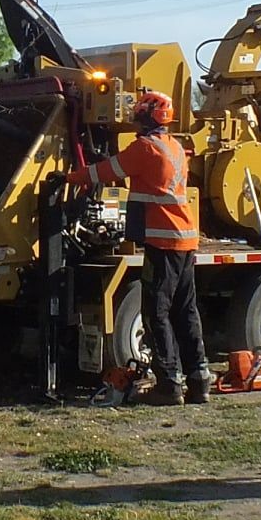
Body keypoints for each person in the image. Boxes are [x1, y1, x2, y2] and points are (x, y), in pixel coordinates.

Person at [65, 88, 212, 405]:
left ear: (148, 116)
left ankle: (169, 385)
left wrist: (70, 178)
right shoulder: (174, 145)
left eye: (140, 112)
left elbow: (107, 171)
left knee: (155, 314)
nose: (135, 118)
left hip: (163, 242)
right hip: (185, 240)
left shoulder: (145, 148)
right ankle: (199, 381)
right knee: (186, 312)